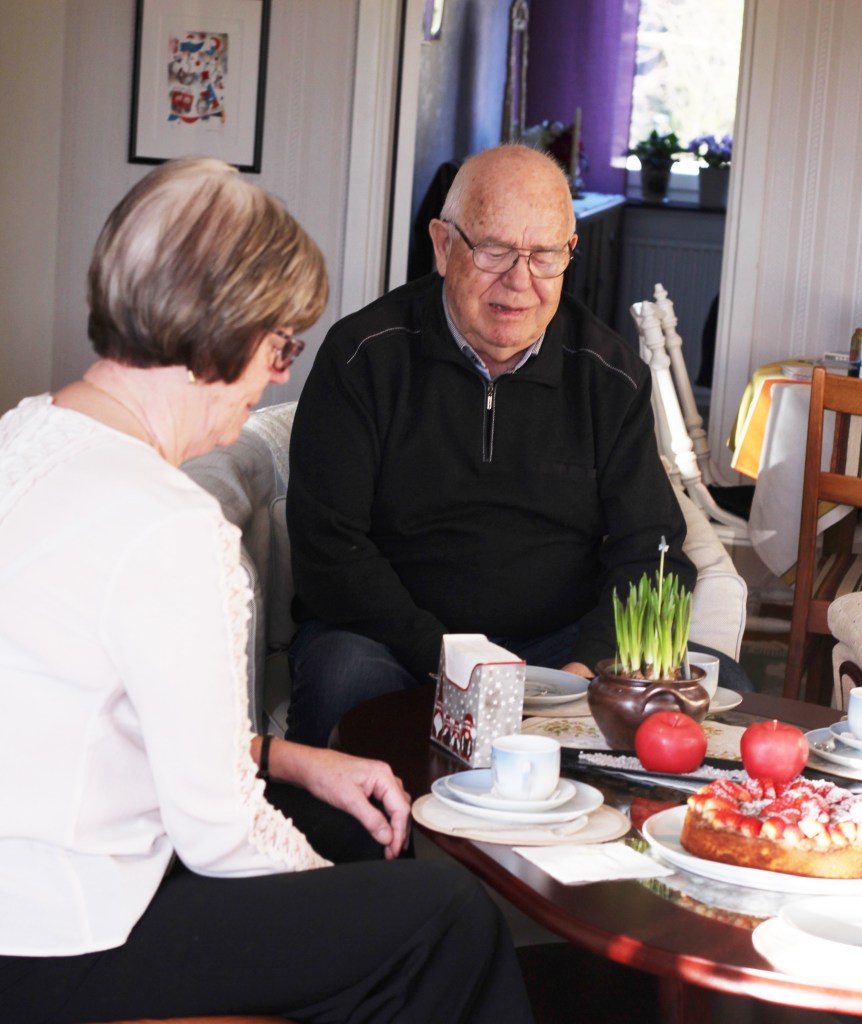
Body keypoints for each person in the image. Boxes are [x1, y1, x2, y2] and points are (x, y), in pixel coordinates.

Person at [0, 158, 534, 1024]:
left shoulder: (26, 434)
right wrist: (336, 910)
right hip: (60, 938)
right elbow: (221, 835)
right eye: (280, 343)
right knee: (445, 917)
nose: (280, 374)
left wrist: (286, 758)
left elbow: (88, 709)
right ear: (222, 328)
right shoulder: (167, 522)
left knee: (360, 829)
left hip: (35, 884)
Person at [286, 143, 750, 749]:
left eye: (544, 256)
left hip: (559, 649)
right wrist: (450, 658)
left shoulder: (609, 375)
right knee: (342, 676)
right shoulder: (363, 357)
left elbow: (652, 550)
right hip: (394, 643)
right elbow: (329, 549)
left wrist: (584, 670)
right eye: (494, 250)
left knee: (725, 686)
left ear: (570, 253)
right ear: (443, 245)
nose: (519, 280)